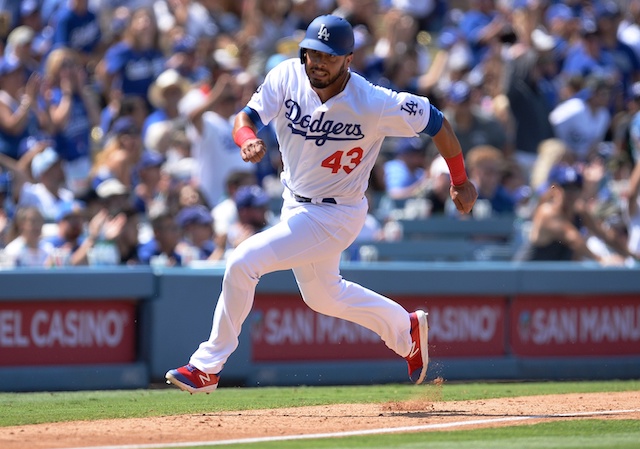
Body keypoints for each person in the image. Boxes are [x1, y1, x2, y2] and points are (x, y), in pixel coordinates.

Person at [165, 14, 477, 393]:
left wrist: (459, 180)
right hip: (294, 202)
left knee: (244, 262)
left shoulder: (374, 102)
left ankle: (206, 366)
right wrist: (246, 137)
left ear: (348, 58)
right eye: (313, 53)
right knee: (324, 297)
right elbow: (245, 117)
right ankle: (404, 328)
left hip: (337, 212)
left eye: (329, 56)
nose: (318, 62)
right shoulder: (286, 76)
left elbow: (437, 123)